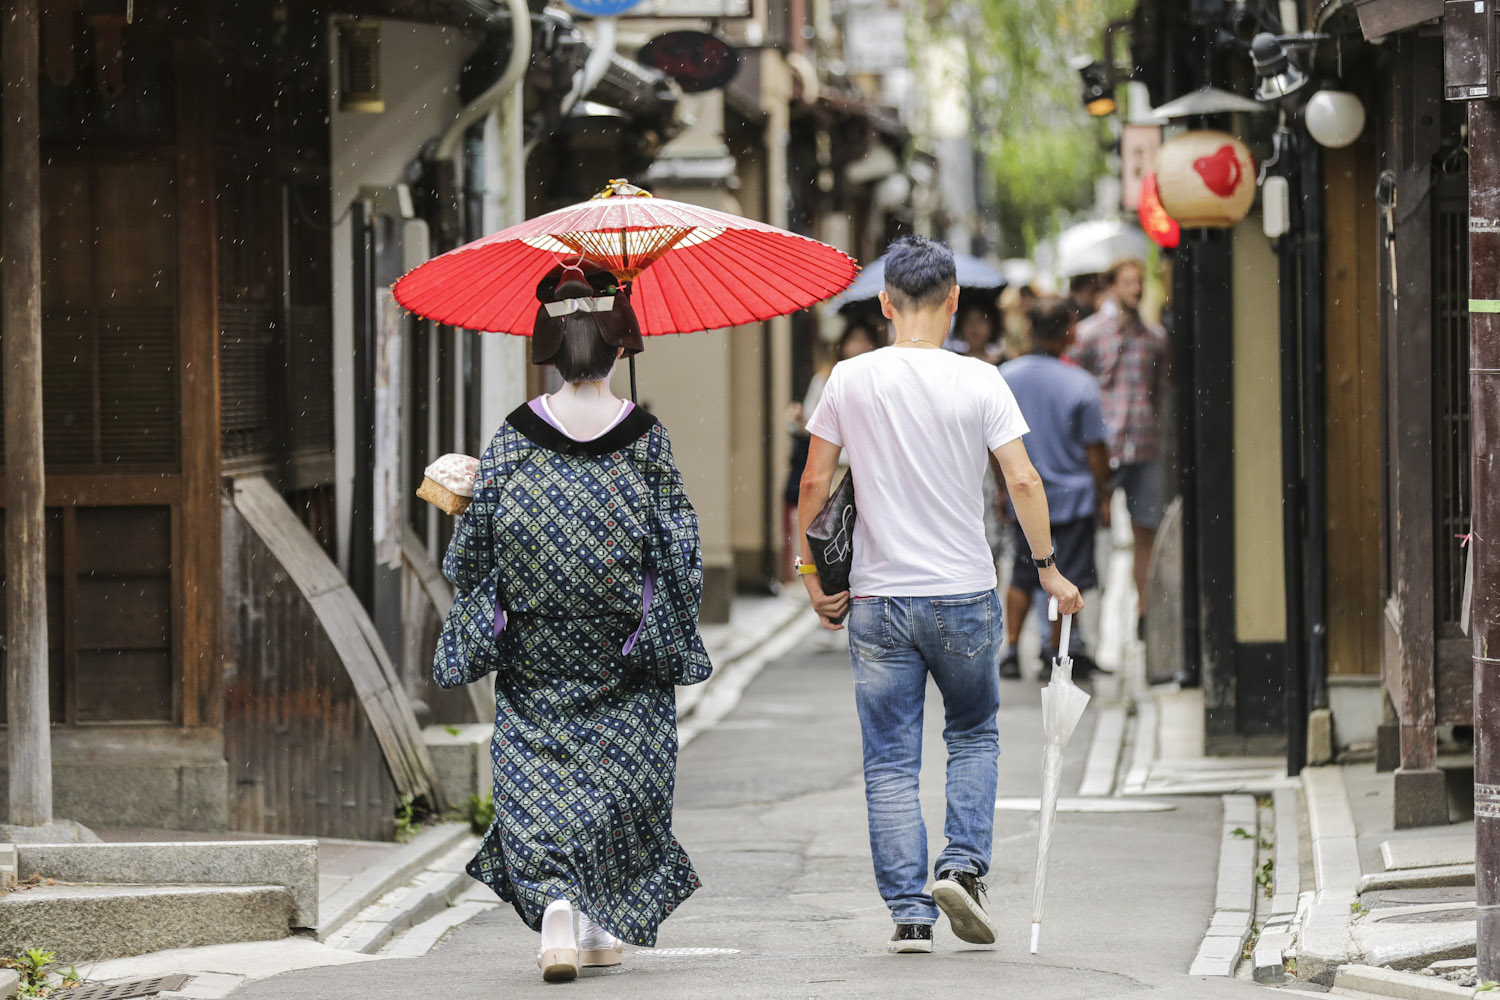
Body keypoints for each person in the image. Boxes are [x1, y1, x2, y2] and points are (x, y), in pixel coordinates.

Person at [796, 236, 1083, 955]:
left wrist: (813, 578)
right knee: (973, 735)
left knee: (891, 758)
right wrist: (1046, 567)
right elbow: (1022, 480)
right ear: (954, 302)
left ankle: (909, 912)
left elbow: (812, 485)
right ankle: (961, 867)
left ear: (886, 303)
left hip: (878, 598)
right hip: (962, 592)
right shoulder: (981, 380)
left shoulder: (849, 379)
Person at [434, 262, 710, 983]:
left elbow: (471, 558)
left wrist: (469, 506)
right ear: (620, 346)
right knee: (623, 773)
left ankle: (562, 912)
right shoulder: (645, 438)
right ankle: (592, 919)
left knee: (538, 769)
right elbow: (680, 547)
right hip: (622, 644)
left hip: (536, 644)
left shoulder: (514, 436)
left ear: (549, 347)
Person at [996, 298, 1111, 681]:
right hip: (1074, 498)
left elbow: (995, 446)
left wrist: (1003, 490)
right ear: (1069, 332)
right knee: (1070, 576)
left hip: (1024, 497)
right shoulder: (1080, 383)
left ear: (1029, 330)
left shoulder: (1005, 377)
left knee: (1023, 575)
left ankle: (1011, 650)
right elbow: (1095, 449)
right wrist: (1104, 493)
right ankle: (1054, 654)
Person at [1068, 259, 1169, 638]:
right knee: (1094, 536)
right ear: (1111, 287)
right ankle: (1089, 623)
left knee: (1147, 531)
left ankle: (1144, 614)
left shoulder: (1156, 337)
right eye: (1128, 282)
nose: (1136, 289)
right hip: (1101, 448)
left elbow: (1159, 388)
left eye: (1139, 281)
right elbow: (1075, 386)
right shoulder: (1090, 334)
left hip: (1144, 445)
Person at [782, 321, 880, 580]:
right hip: (837, 469)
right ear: (843, 345)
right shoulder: (827, 380)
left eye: (864, 339)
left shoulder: (880, 381)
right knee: (836, 529)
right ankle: (833, 577)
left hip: (870, 471)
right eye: (853, 339)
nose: (858, 346)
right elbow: (813, 426)